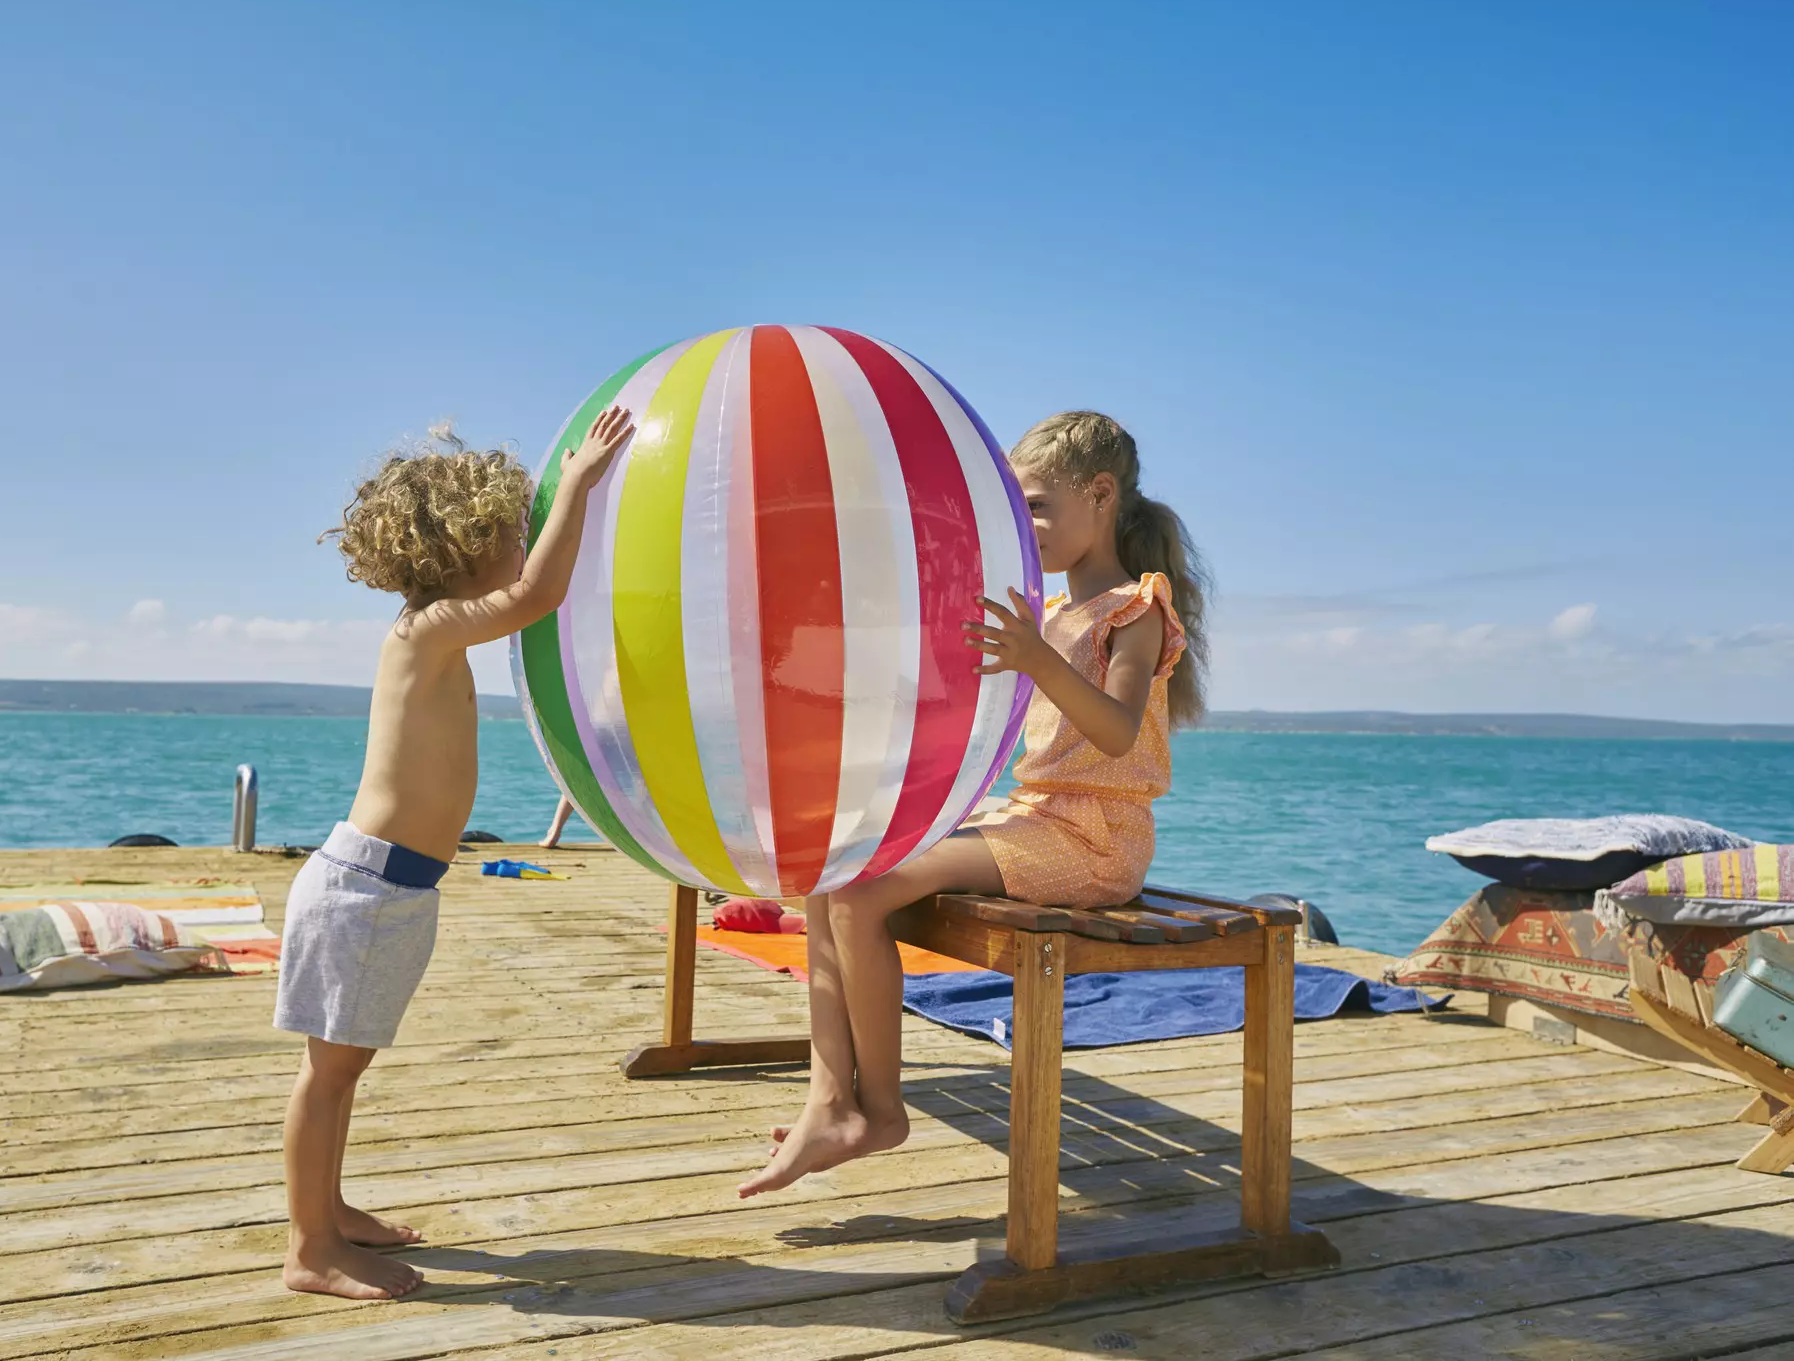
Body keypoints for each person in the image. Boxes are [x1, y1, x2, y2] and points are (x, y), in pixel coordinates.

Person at [739, 409, 1209, 1197]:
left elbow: (1119, 730)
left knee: (859, 894)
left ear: (1100, 495)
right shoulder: (1051, 614)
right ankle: (829, 1097)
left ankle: (879, 1110)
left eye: (1034, 505)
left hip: (1097, 837)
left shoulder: (1137, 609)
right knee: (833, 872)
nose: (1023, 524)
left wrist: (1034, 659)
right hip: (1034, 817)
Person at [274, 407, 635, 1297]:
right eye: (513, 533)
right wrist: (581, 484)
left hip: (391, 889)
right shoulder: (423, 630)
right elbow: (535, 597)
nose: (524, 546)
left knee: (344, 1067)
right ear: (468, 545)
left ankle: (331, 1210)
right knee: (327, 1075)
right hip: (362, 891)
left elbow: (532, 603)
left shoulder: (437, 632)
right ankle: (309, 1249)